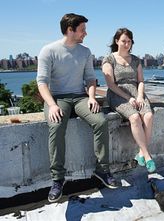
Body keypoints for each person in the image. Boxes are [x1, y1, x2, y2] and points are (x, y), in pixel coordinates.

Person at [37, 13, 117, 203]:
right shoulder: (48, 51)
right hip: (57, 98)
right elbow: (42, 83)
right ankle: (57, 179)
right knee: (55, 126)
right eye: (82, 30)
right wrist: (52, 105)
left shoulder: (85, 52)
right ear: (70, 30)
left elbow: (90, 78)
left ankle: (102, 170)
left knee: (100, 121)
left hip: (80, 97)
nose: (86, 33)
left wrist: (91, 97)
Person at [101, 28, 156, 173]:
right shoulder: (109, 60)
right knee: (135, 117)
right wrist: (129, 98)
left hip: (136, 91)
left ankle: (140, 153)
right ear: (117, 41)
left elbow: (141, 81)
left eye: (129, 41)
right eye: (124, 41)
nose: (127, 44)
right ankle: (148, 156)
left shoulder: (136, 60)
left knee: (149, 116)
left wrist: (139, 96)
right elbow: (111, 84)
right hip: (117, 94)